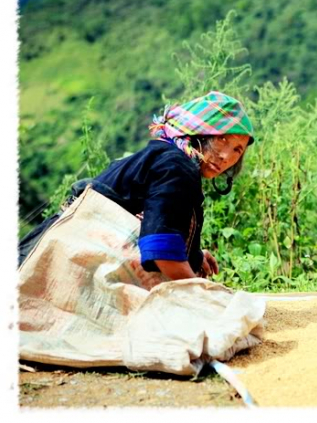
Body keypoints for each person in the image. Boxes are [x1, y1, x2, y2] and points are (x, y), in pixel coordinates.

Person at [18, 91, 254, 281]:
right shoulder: (176, 166)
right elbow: (161, 248)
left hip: (49, 256)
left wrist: (193, 254)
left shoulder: (166, 157)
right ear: (199, 133)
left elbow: (158, 217)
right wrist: (198, 295)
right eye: (222, 138)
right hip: (50, 267)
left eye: (237, 149)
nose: (226, 156)